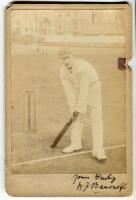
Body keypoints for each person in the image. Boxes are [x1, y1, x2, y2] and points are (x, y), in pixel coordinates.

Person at [59, 49, 107, 160]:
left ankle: (98, 150)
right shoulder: (62, 71)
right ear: (60, 59)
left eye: (67, 57)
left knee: (96, 118)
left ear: (73, 56)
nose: (65, 60)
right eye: (63, 58)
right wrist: (73, 110)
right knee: (77, 117)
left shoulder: (83, 68)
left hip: (93, 88)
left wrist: (79, 109)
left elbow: (84, 90)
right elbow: (69, 91)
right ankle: (75, 144)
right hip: (78, 89)